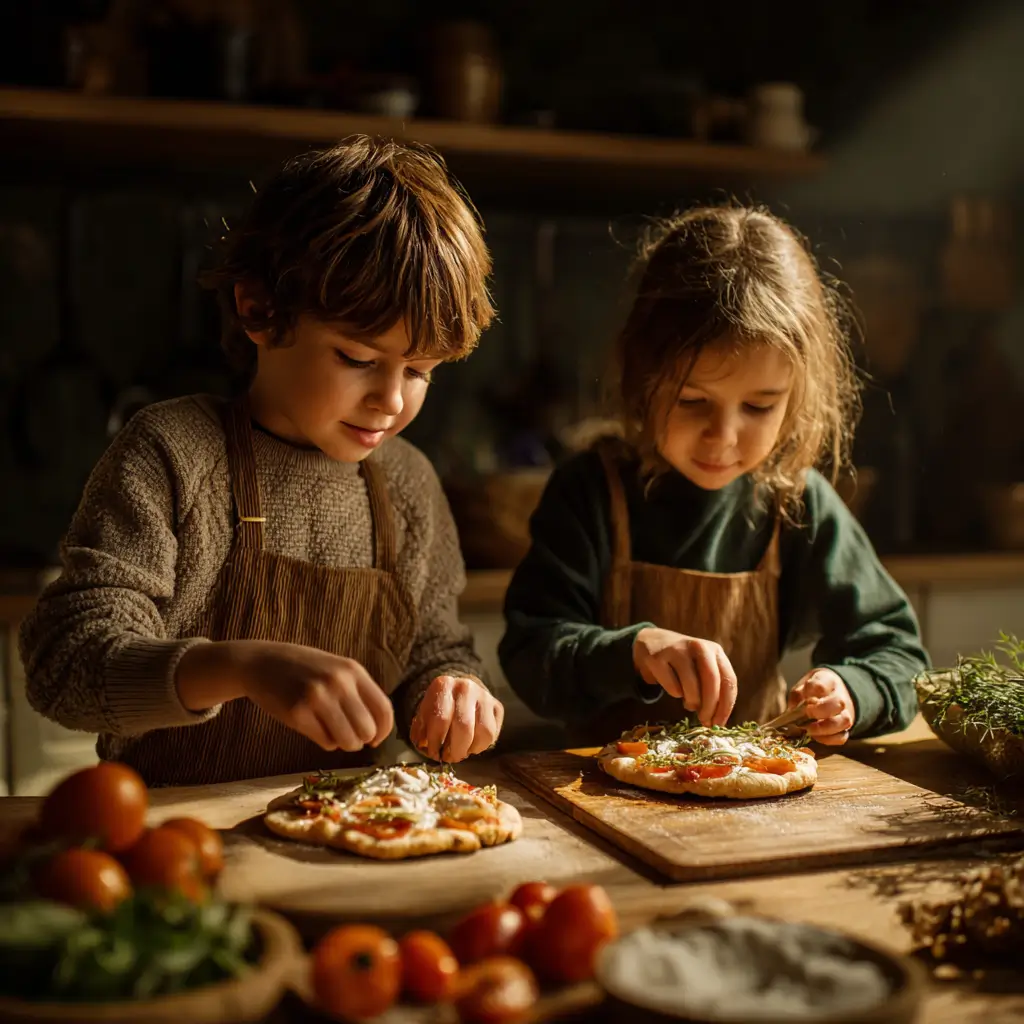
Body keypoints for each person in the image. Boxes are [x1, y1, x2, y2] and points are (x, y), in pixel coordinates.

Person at [20, 135, 504, 785]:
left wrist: (452, 690)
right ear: (259, 309)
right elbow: (66, 666)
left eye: (420, 371)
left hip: (351, 830)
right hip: (175, 836)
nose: (391, 400)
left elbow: (434, 648)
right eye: (358, 359)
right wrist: (242, 667)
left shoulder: (408, 482)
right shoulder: (175, 454)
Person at [498, 204, 928, 747]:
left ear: (795, 398)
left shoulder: (797, 504)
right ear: (642, 373)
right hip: (599, 792)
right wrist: (635, 651)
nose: (724, 437)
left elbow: (899, 653)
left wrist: (851, 688)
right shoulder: (590, 492)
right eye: (694, 400)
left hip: (753, 794)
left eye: (759, 407)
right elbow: (530, 654)